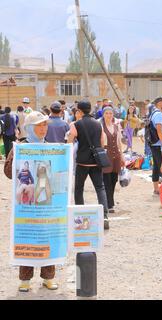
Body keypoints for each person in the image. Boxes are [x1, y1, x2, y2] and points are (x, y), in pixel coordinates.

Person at [4, 111, 59, 292]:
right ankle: (25, 280)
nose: (43, 129)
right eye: (39, 125)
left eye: (45, 125)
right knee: (27, 237)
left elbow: (58, 170)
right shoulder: (20, 146)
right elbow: (7, 172)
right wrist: (17, 159)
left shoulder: (52, 147)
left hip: (45, 200)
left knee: (46, 236)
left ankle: (48, 278)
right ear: (29, 128)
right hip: (26, 203)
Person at [67, 100, 110, 230]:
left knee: (79, 189)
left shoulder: (76, 124)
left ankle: (80, 217)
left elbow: (70, 141)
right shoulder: (98, 124)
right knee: (100, 188)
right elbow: (102, 142)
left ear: (79, 111)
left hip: (82, 162)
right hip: (96, 161)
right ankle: (105, 217)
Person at [101, 107, 126, 214]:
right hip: (106, 154)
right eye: (107, 113)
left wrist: (122, 156)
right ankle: (109, 204)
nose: (109, 115)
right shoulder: (100, 126)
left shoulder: (116, 126)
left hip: (116, 155)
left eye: (110, 113)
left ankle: (109, 201)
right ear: (103, 115)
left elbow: (119, 142)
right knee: (106, 180)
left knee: (114, 179)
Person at [149, 96, 162, 195]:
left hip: (154, 143)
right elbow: (159, 131)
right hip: (158, 144)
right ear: (160, 103)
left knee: (156, 167)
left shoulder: (155, 112)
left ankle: (156, 189)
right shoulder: (158, 115)